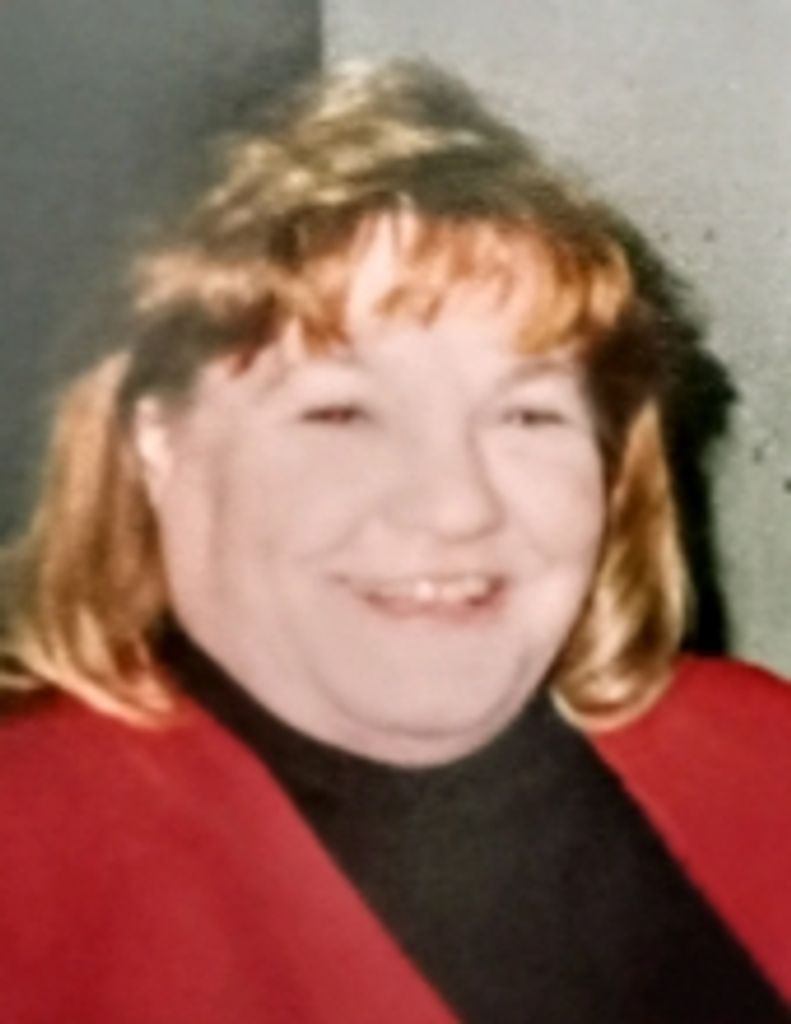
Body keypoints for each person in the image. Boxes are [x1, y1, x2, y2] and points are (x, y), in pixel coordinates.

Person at [0, 60, 789, 1023]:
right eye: (341, 414)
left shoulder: (756, 749)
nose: (454, 506)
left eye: (527, 415)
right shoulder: (29, 856)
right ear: (159, 444)